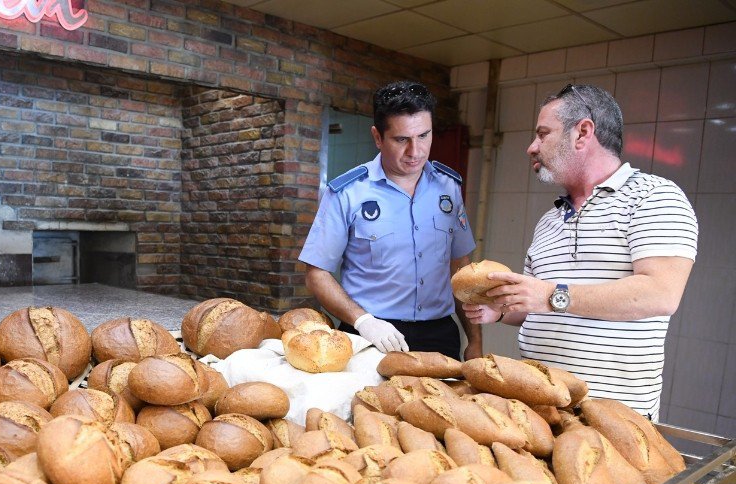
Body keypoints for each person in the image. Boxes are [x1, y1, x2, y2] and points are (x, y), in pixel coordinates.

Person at [464, 84, 697, 420]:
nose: (531, 147)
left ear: (583, 133)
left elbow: (660, 294)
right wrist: (500, 311)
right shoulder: (549, 220)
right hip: (540, 411)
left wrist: (550, 295)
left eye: (543, 134)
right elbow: (540, 306)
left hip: (610, 420)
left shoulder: (653, 197)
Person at [297, 81, 482, 361]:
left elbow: (462, 269)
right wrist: (363, 322)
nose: (415, 151)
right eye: (401, 139)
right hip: (371, 336)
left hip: (440, 336)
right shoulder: (348, 192)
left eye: (423, 136)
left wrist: (475, 339)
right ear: (377, 137)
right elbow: (317, 274)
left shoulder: (448, 187)